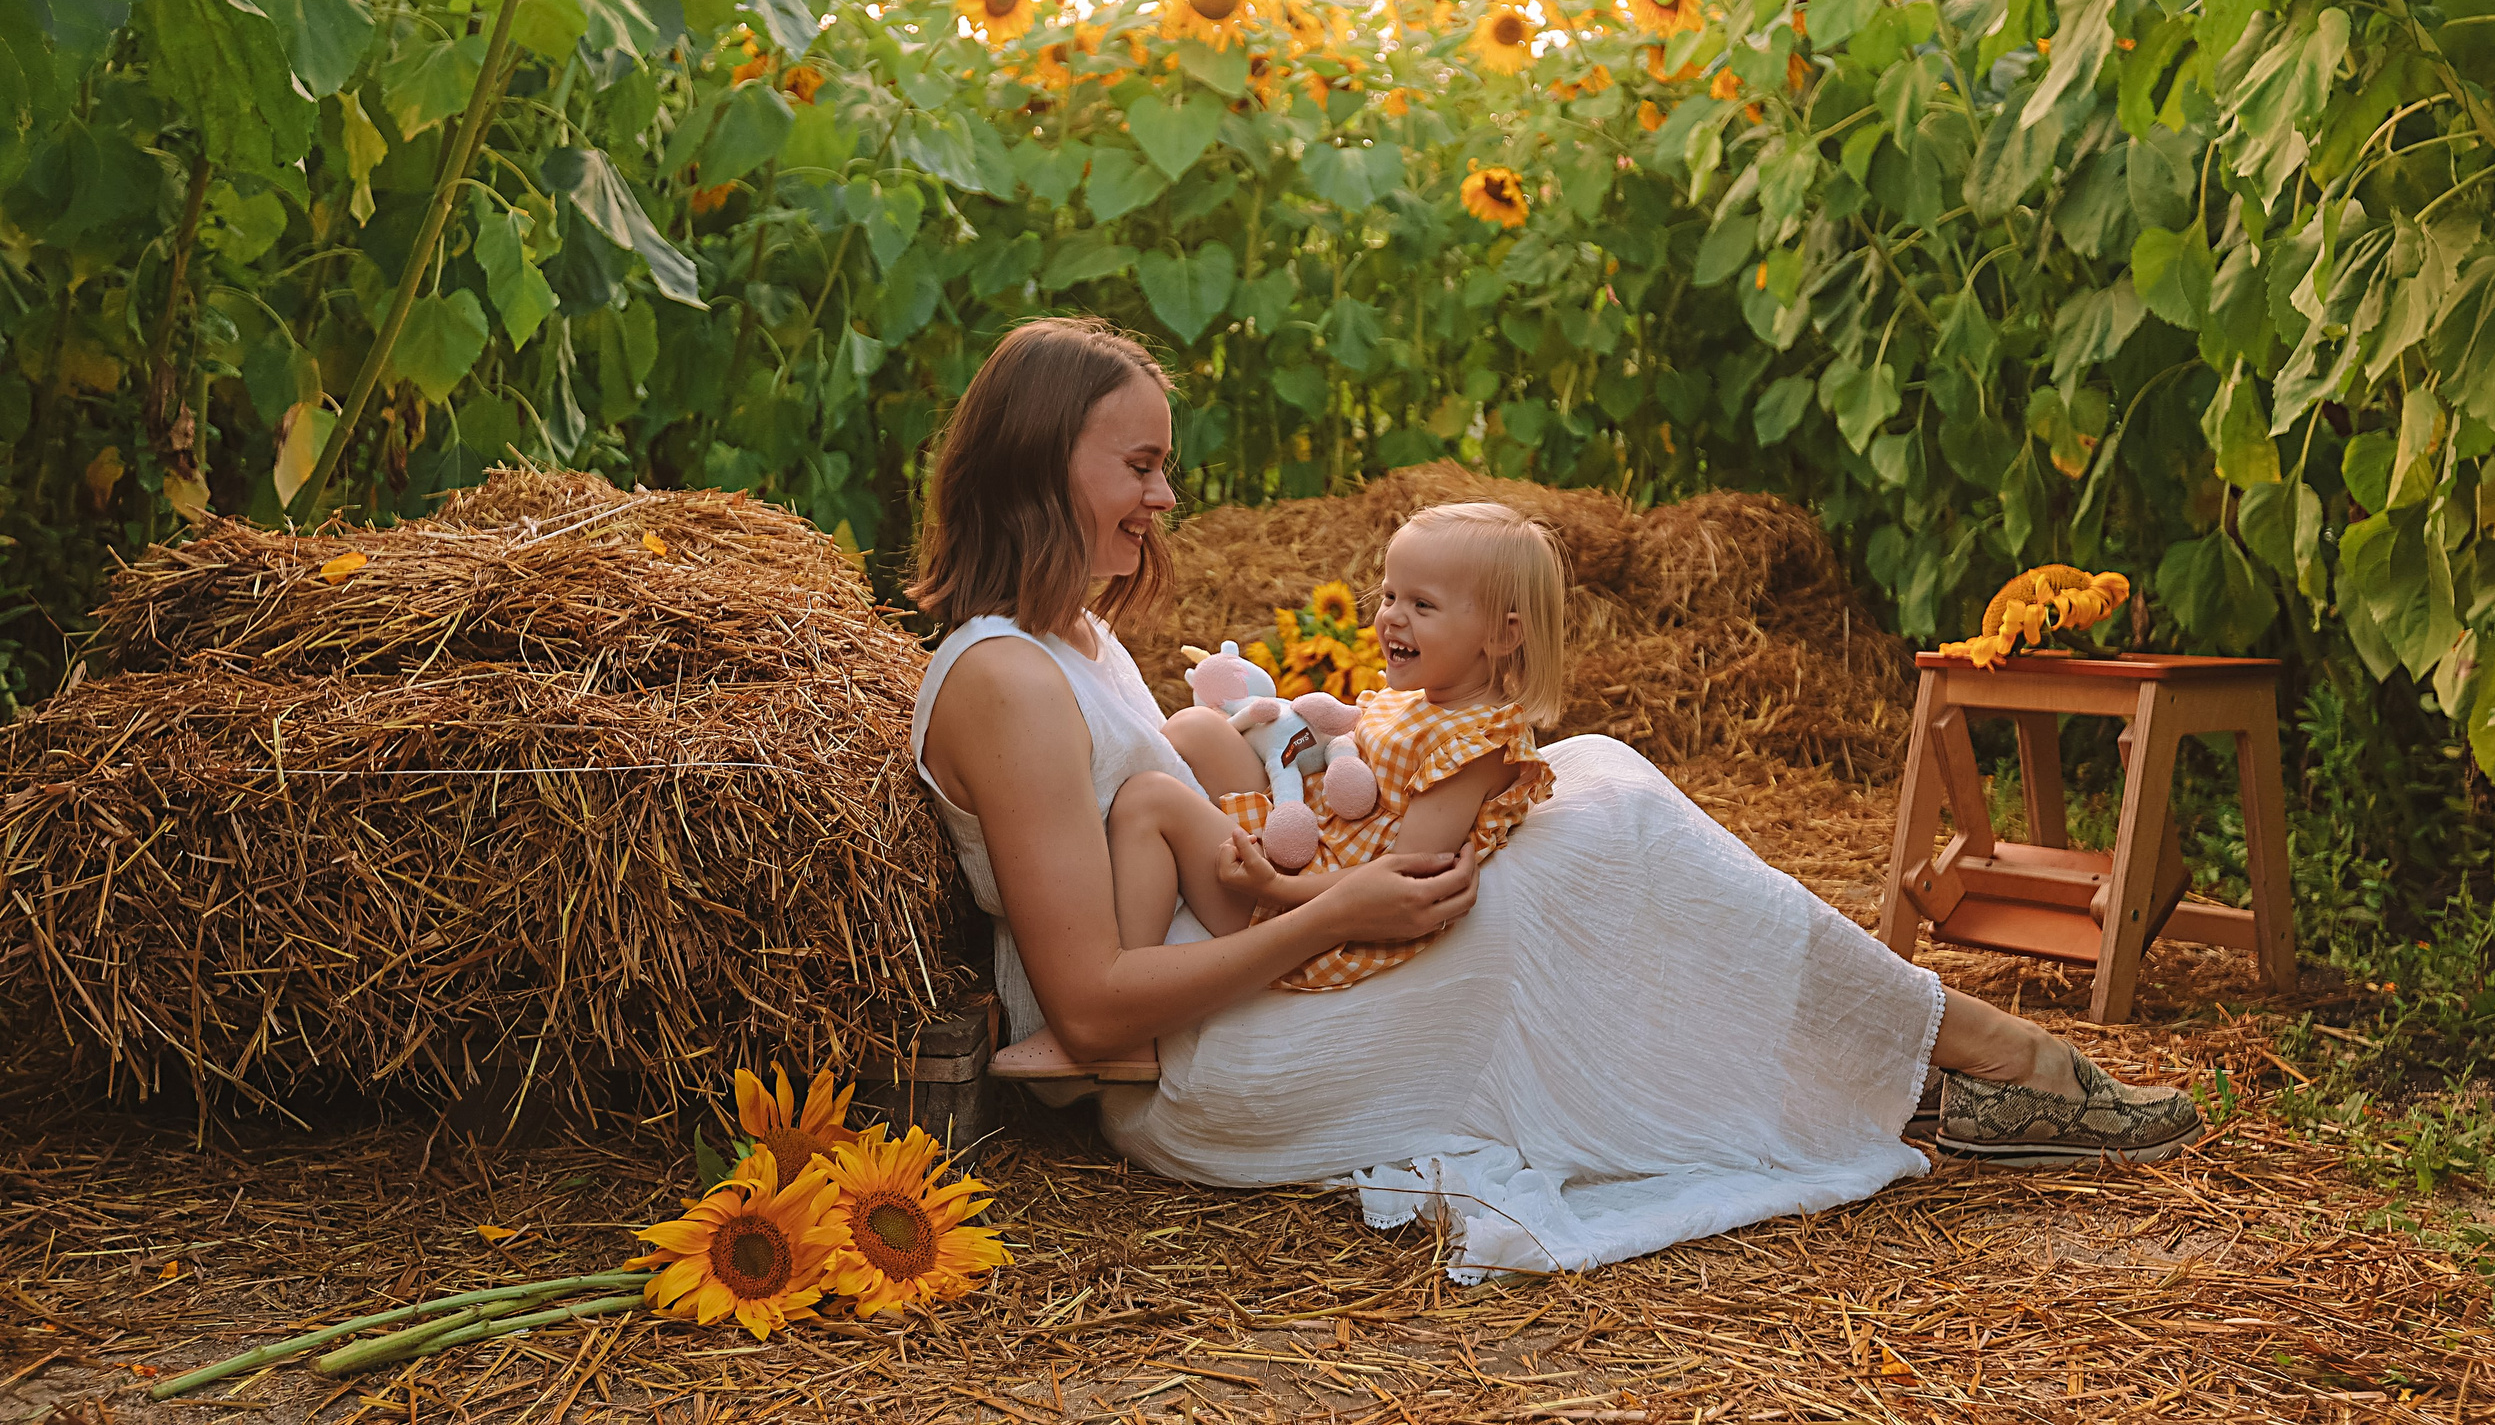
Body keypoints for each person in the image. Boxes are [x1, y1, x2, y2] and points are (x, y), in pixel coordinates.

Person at [909, 317, 2200, 1278]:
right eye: (1139, 462)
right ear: (1040, 455)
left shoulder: (1072, 635)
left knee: (1592, 785)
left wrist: (1297, 789)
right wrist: (1334, 904)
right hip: (1187, 1061)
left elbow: (1206, 800)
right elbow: (1084, 1003)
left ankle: (1926, 1053)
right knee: (1597, 849)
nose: (1165, 495)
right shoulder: (1008, 679)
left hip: (1247, 958)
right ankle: (1980, 1056)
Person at [987, 500, 1567, 1082]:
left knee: (1147, 799)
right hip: (1317, 838)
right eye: (1390, 596)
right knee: (1195, 729)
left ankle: (1125, 1029)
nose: (1392, 618)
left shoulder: (1478, 745)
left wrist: (1278, 887)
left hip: (1319, 915)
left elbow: (1403, 876)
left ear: (1500, 633)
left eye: (1423, 605)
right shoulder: (1425, 700)